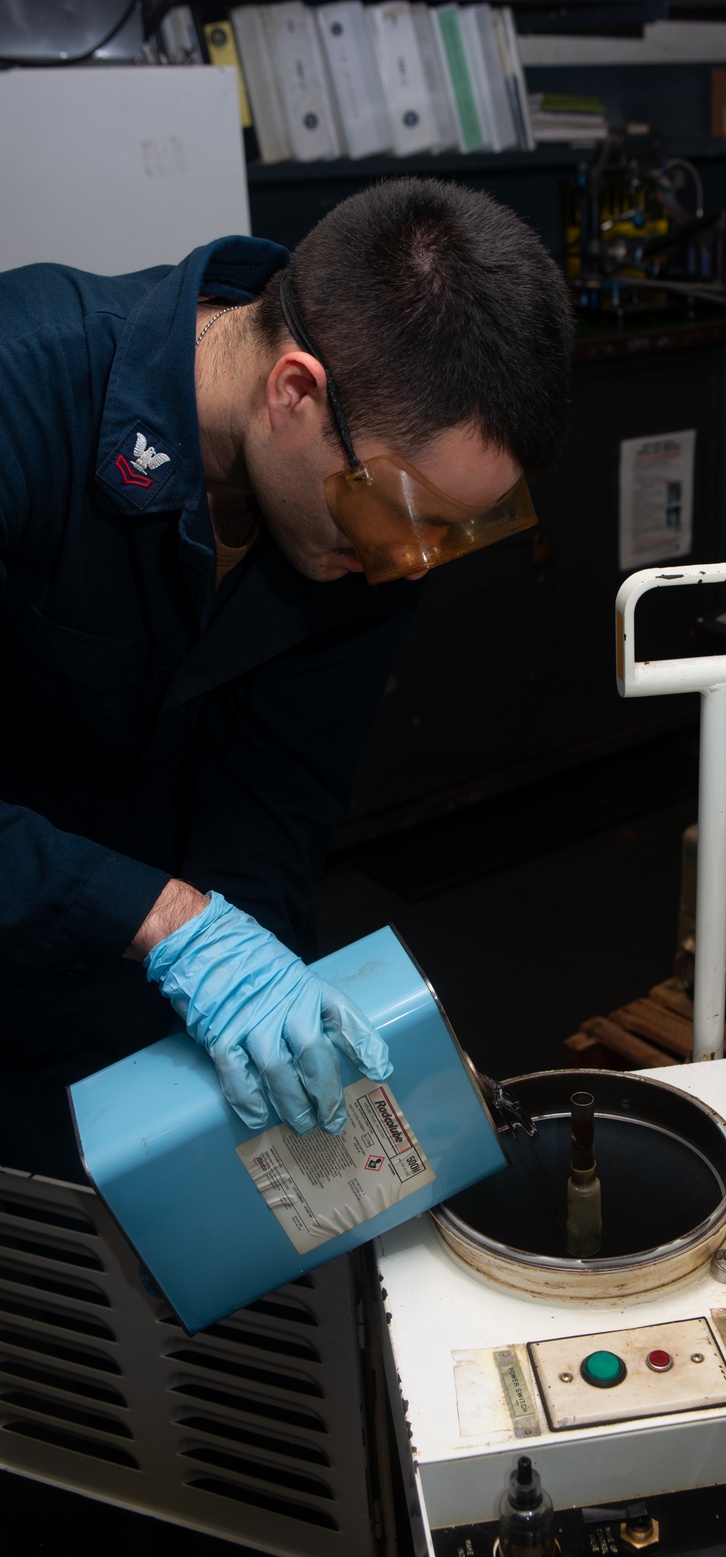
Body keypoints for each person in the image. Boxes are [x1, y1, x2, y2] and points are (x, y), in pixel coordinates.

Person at [0, 176, 574, 1181]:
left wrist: (253, 970)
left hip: (107, 991)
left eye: (453, 532)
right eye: (410, 519)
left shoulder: (356, 524)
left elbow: (275, 791)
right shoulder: (22, 390)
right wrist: (173, 923)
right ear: (295, 393)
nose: (412, 564)